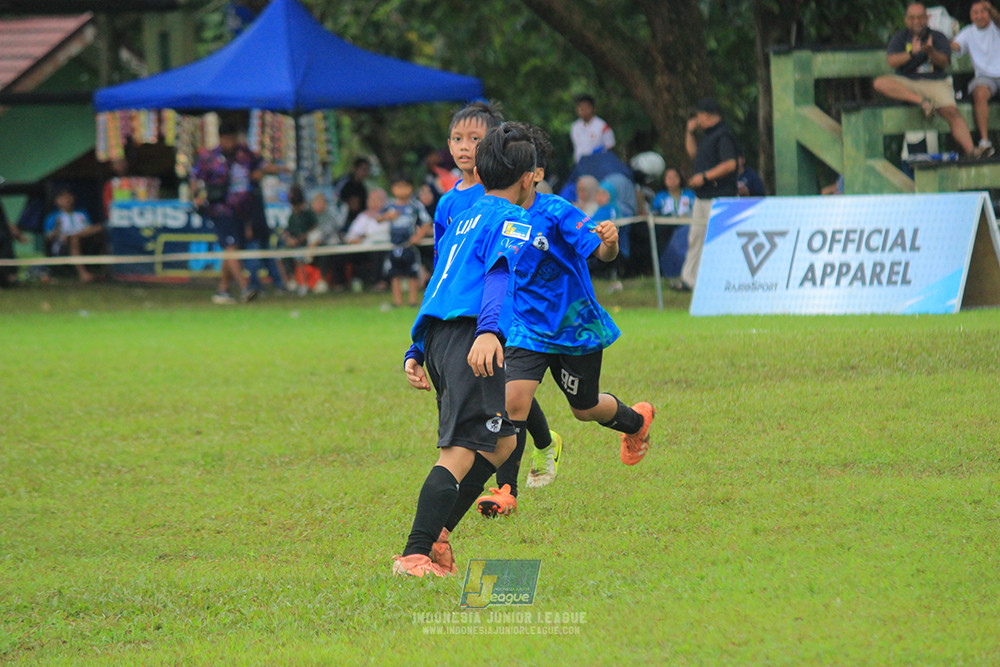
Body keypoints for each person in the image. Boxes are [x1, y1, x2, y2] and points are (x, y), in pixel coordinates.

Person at [479, 124, 655, 517]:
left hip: (575, 329)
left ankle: (636, 421)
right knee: (513, 400)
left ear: (535, 175)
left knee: (585, 409)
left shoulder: (556, 211)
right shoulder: (495, 215)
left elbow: (601, 254)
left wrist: (609, 243)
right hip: (527, 327)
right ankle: (505, 491)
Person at [393, 122, 537, 577]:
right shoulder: (511, 219)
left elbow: (440, 279)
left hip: (439, 334)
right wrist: (489, 332)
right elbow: (497, 275)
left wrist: (416, 348)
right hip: (470, 336)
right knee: (457, 452)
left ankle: (439, 534)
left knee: (503, 442)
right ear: (527, 176)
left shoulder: (466, 214)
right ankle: (414, 554)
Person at [432, 101, 563, 493]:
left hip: (502, 306)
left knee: (509, 393)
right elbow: (444, 260)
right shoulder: (448, 202)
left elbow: (507, 258)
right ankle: (543, 443)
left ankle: (506, 490)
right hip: (464, 312)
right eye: (457, 138)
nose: (464, 146)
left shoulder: (506, 199)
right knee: (504, 389)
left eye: (475, 138)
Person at [873, 3, 980, 158]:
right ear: (906, 20)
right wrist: (912, 53)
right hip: (907, 82)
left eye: (920, 17)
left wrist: (930, 52)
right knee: (880, 82)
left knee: (952, 112)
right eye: (912, 18)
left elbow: (944, 62)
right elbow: (891, 61)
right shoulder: (900, 38)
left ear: (927, 18)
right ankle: (922, 102)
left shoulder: (937, 37)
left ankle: (972, 151)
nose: (916, 21)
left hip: (935, 82)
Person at [191, 122, 262, 304]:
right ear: (221, 138)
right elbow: (195, 178)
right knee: (231, 247)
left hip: (242, 210)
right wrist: (197, 196)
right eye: (227, 139)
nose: (230, 142)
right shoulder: (209, 157)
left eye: (233, 138)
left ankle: (223, 290)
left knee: (232, 249)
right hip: (220, 210)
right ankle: (245, 287)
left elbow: (260, 167)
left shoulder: (244, 154)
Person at [678, 98, 739, 292]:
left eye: (698, 115)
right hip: (703, 197)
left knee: (721, 240)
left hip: (719, 197)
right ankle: (689, 280)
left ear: (706, 115)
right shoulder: (707, 137)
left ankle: (724, 279)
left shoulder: (723, 136)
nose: (697, 119)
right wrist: (689, 132)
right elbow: (693, 154)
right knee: (696, 237)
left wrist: (704, 177)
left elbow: (731, 164)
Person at [951, 1, 1000, 157]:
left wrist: (992, 9)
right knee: (979, 92)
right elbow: (956, 46)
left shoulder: (996, 26)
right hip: (985, 78)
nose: (979, 15)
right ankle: (985, 142)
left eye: (983, 11)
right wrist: (942, 42)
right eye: (975, 12)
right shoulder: (968, 32)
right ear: (971, 16)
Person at [383, 175, 431, 307]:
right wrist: (387, 217)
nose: (402, 190)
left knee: (412, 274)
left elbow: (427, 222)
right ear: (393, 189)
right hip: (395, 245)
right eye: (398, 187)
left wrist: (418, 236)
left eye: (405, 187)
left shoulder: (415, 206)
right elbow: (378, 218)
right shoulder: (390, 206)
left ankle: (412, 301)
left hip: (409, 245)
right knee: (395, 275)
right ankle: (397, 302)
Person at [43, 188, 105, 284]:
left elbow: (89, 228)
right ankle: (83, 274)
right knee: (74, 239)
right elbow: (49, 238)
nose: (67, 199)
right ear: (57, 201)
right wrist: (57, 228)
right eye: (63, 197)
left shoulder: (81, 214)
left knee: (101, 228)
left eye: (69, 196)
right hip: (63, 246)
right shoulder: (53, 217)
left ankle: (107, 271)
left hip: (84, 240)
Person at [652, 167, 695, 279]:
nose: (672, 181)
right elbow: (655, 215)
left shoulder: (690, 195)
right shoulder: (660, 197)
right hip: (666, 232)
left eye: (674, 177)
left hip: (687, 230)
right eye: (668, 177)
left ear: (680, 179)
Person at [344, 187, 391, 290]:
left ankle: (381, 281)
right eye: (371, 199)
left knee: (379, 252)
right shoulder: (363, 217)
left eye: (377, 199)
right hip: (365, 248)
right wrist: (358, 239)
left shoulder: (390, 215)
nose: (374, 203)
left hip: (386, 248)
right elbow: (350, 237)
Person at [281, 184, 319, 296]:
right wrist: (289, 239)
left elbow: (313, 229)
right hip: (293, 245)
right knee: (280, 256)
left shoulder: (308, 214)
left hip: (307, 245)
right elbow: (287, 231)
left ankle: (304, 284)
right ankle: (288, 282)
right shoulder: (291, 216)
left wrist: (300, 239)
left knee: (299, 257)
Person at [570, 93, 616, 163]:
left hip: (598, 164)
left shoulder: (602, 126)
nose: (583, 110)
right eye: (580, 108)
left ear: (593, 108)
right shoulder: (575, 127)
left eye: (586, 107)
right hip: (581, 165)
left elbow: (610, 146)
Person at [333, 157, 370, 229]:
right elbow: (335, 198)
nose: (364, 173)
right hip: (340, 219)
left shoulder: (362, 188)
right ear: (355, 168)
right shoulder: (343, 182)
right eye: (363, 169)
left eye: (366, 170)